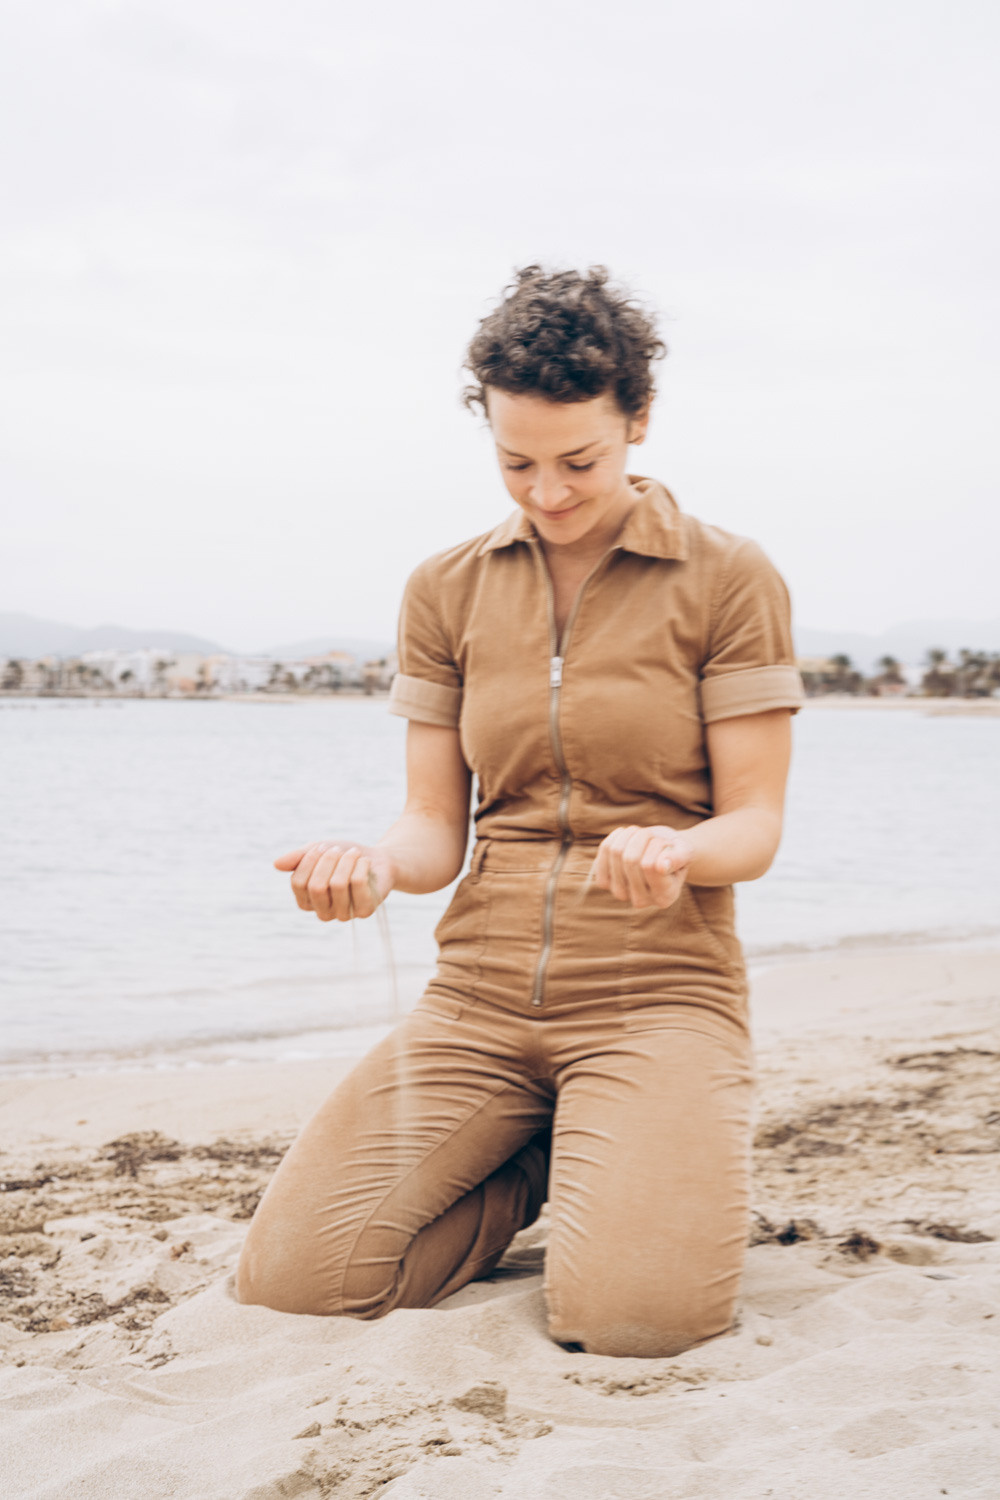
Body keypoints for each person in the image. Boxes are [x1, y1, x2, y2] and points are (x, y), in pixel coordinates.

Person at [235, 265, 804, 1358]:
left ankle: (617, 1144)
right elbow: (431, 831)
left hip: (656, 997)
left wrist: (677, 850)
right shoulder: (445, 588)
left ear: (638, 419)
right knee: (296, 1285)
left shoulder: (728, 577)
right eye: (517, 462)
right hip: (478, 1002)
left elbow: (755, 829)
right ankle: (542, 1153)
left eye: (578, 461)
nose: (548, 492)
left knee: (633, 1324)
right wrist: (371, 866)